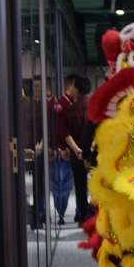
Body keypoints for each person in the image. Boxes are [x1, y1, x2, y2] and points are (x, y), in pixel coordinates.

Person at [62, 75, 92, 222]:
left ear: (77, 90)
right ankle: (96, 215)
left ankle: (84, 216)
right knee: (98, 185)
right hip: (94, 153)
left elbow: (65, 132)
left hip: (77, 154)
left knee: (80, 186)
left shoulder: (69, 110)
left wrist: (76, 149)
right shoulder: (96, 108)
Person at [50, 74, 78, 224]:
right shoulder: (61, 105)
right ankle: (60, 212)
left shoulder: (73, 103)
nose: (78, 89)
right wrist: (61, 147)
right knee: (63, 184)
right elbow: (57, 128)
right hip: (65, 150)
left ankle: (75, 212)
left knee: (72, 183)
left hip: (74, 149)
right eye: (75, 86)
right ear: (68, 87)